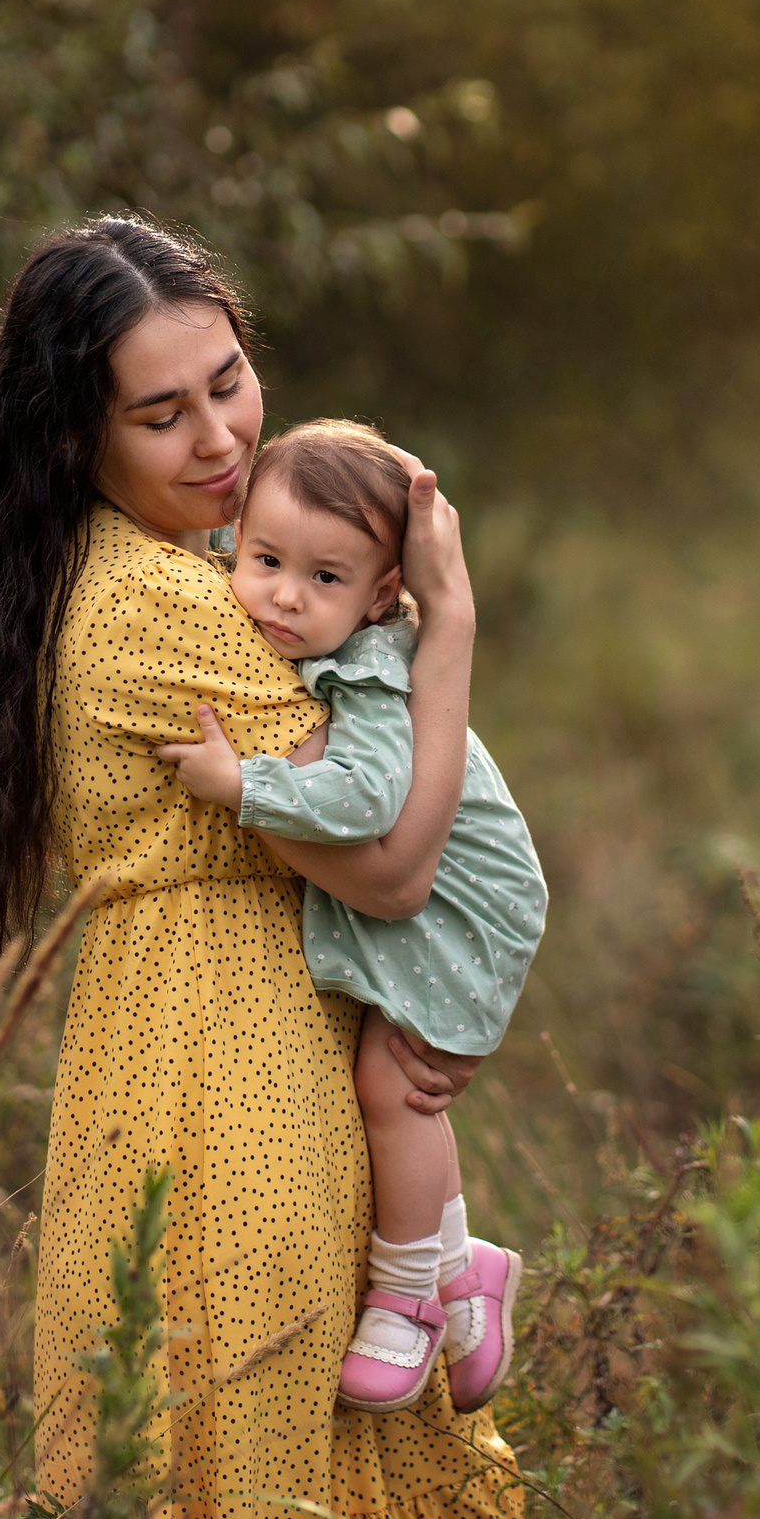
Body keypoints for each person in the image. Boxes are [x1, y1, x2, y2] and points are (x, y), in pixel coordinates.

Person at [0, 214, 530, 1519]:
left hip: (166, 1047)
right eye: (160, 413)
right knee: (264, 1450)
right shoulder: (164, 604)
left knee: (211, 1445)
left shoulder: (134, 570)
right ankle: (458, 1269)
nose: (219, 438)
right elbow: (397, 865)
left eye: (229, 381)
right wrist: (454, 620)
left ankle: (455, 1267)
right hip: (238, 1068)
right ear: (79, 435)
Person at [154, 419, 544, 1415]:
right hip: (459, 882)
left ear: (379, 596)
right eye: (266, 560)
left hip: (471, 899)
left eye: (324, 579)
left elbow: (370, 804)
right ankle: (464, 1272)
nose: (283, 595)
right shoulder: (298, 624)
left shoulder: (370, 670)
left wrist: (241, 785)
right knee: (393, 1068)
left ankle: (408, 1298)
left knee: (394, 1080)